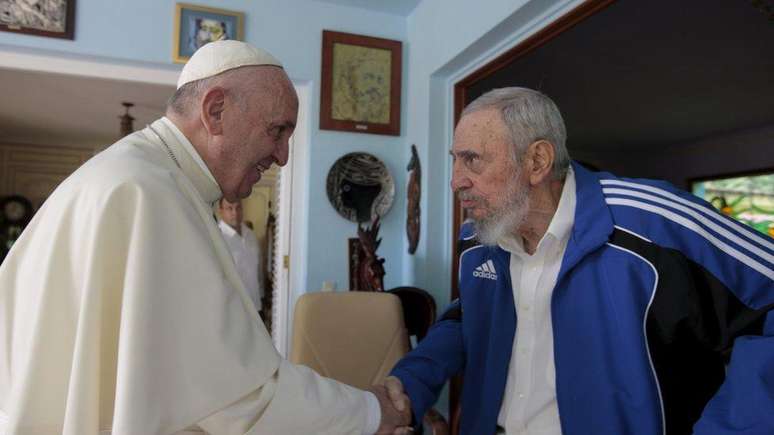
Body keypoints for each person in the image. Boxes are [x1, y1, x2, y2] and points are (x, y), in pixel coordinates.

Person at [0, 40, 411, 435]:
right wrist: (372, 411)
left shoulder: (138, 174)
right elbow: (239, 402)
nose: (283, 156)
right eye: (277, 130)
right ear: (216, 111)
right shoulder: (151, 192)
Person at [385, 87, 774, 434]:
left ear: (537, 161)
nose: (455, 181)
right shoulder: (478, 237)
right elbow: (470, 315)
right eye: (455, 160)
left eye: (472, 160)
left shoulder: (656, 222)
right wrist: (409, 384)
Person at [218, 198, 265, 318]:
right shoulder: (217, 238)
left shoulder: (251, 235)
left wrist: (262, 296)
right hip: (232, 309)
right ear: (221, 211)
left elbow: (258, 270)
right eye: (230, 208)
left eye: (238, 207)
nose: (235, 213)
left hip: (255, 305)